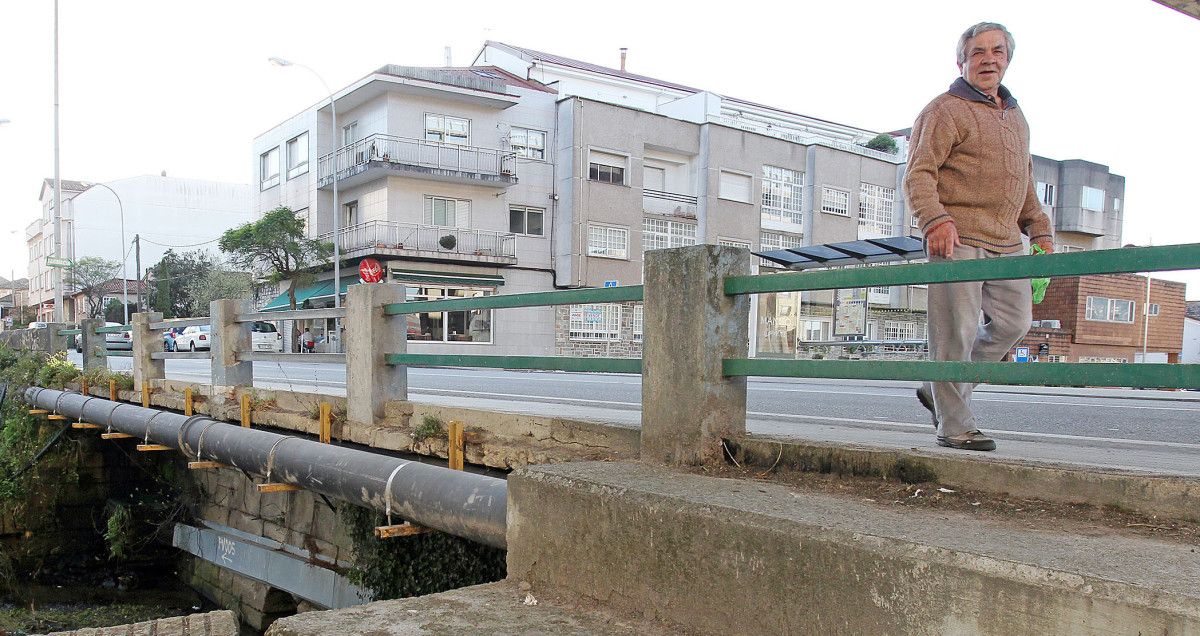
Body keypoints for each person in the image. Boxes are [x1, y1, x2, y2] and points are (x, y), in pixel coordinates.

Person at [904, 21, 1054, 451]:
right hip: (957, 237)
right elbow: (917, 174)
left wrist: (1040, 231)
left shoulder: (1015, 116)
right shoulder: (944, 109)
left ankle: (938, 393)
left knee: (1015, 323)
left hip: (1007, 240)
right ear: (962, 61)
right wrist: (934, 220)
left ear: (1008, 60)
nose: (989, 59)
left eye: (998, 51)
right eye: (978, 52)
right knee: (957, 333)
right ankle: (954, 425)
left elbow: (1024, 180)